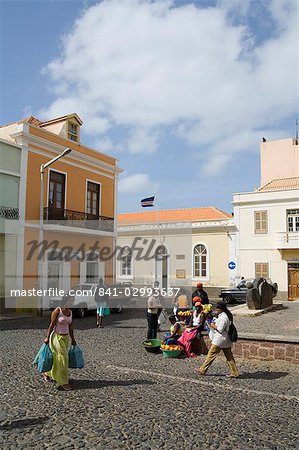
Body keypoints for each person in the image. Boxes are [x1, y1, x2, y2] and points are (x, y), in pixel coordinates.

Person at [43, 294, 76, 391]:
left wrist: (73, 339)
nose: (72, 303)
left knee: (57, 357)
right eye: (70, 301)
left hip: (65, 338)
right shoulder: (58, 311)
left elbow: (70, 327)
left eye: (73, 301)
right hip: (56, 337)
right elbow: (51, 324)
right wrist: (47, 337)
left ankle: (47, 373)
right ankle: (62, 382)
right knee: (63, 358)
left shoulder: (70, 312)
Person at [197, 302, 239, 378]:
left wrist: (213, 325)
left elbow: (220, 329)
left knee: (211, 354)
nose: (215, 310)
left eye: (217, 308)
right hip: (225, 340)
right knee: (229, 357)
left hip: (220, 340)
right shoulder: (224, 316)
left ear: (220, 309)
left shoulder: (224, 317)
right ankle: (234, 372)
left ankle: (203, 369)